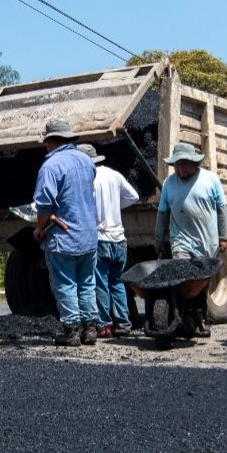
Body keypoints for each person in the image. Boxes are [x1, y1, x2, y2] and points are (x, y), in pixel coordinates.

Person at [32, 119, 100, 347]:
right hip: (88, 235)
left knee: (65, 283)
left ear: (52, 141)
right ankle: (90, 329)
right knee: (87, 282)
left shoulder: (51, 166)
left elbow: (44, 205)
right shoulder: (86, 160)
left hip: (64, 238)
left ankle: (71, 331)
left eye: (46, 142)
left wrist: (39, 230)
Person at [155, 141, 227, 337]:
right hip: (180, 241)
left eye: (183, 164)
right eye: (176, 165)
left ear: (194, 163)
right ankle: (182, 318)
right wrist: (159, 239)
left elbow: (221, 210)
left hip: (206, 242)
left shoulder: (210, 180)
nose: (179, 168)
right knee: (182, 278)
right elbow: (162, 213)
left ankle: (200, 318)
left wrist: (223, 236)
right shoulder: (169, 184)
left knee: (200, 282)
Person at [80, 143, 140, 339]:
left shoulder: (89, 179)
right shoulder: (114, 175)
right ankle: (123, 323)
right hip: (119, 239)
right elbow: (134, 196)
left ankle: (104, 325)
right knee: (118, 282)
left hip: (101, 238)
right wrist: (116, 206)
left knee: (100, 282)